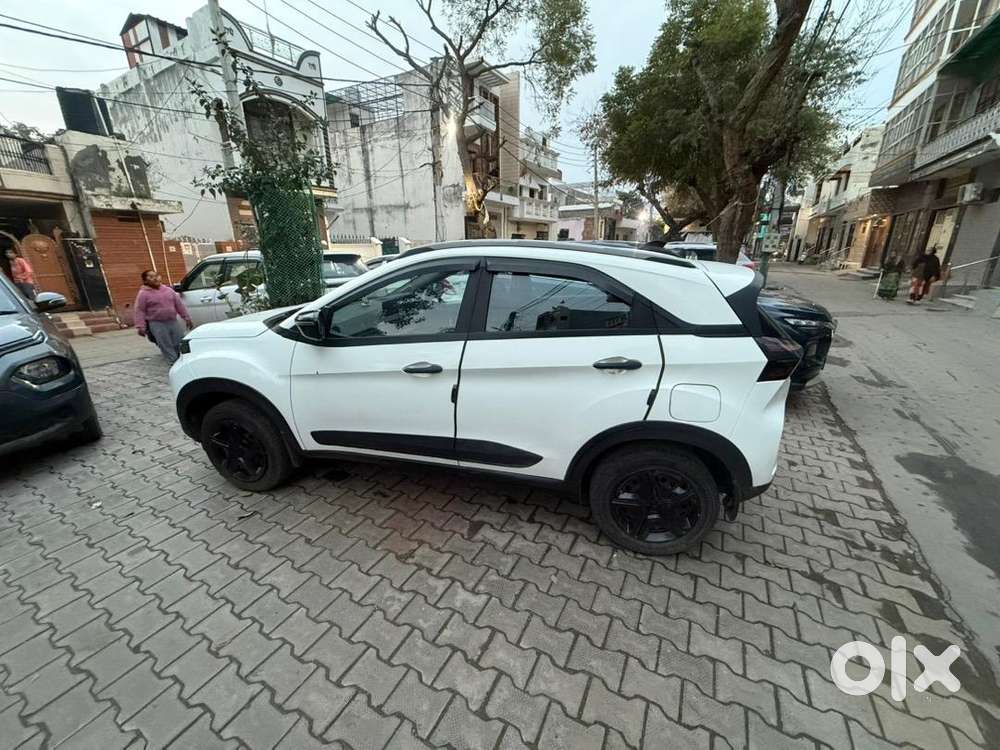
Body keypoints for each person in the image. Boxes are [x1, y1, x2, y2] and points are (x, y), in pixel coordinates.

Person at [134, 269, 193, 364]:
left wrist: (186, 317)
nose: (155, 278)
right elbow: (140, 310)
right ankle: (173, 362)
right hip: (157, 323)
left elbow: (179, 305)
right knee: (165, 344)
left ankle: (183, 361)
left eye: (156, 276)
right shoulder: (143, 294)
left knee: (179, 341)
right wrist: (141, 326)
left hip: (172, 321)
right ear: (145, 281)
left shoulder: (168, 290)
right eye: (151, 277)